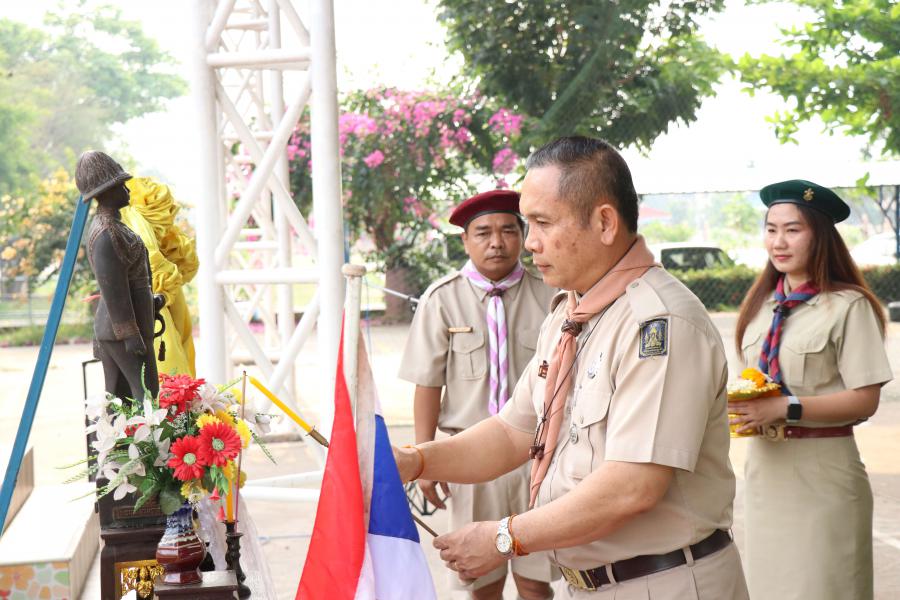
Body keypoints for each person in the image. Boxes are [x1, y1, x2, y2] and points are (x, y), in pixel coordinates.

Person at [395, 136, 748, 599]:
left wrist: (504, 537)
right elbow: (514, 431)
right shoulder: (570, 313)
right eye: (529, 224)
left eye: (542, 223)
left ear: (604, 222)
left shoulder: (659, 324)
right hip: (592, 583)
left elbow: (633, 485)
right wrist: (417, 460)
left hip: (662, 583)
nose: (529, 243)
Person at [729, 180, 892, 599]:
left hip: (824, 477)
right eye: (771, 229)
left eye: (792, 230)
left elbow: (865, 399)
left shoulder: (849, 306)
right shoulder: (761, 306)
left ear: (819, 235)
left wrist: (787, 408)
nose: (778, 242)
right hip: (766, 474)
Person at [398, 189, 558, 600]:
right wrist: (426, 459)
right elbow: (428, 383)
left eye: (508, 230)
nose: (496, 242)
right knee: (480, 580)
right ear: (465, 240)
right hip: (469, 459)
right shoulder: (442, 299)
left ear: (524, 235)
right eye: (483, 233)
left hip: (538, 456)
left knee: (535, 579)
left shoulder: (552, 294)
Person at [76, 150, 159, 403]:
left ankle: (120, 433)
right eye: (121, 186)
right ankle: (142, 432)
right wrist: (130, 334)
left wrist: (151, 302)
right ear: (106, 192)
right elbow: (114, 289)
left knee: (120, 397)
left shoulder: (114, 228)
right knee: (145, 395)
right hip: (121, 331)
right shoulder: (107, 233)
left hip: (124, 326)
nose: (127, 189)